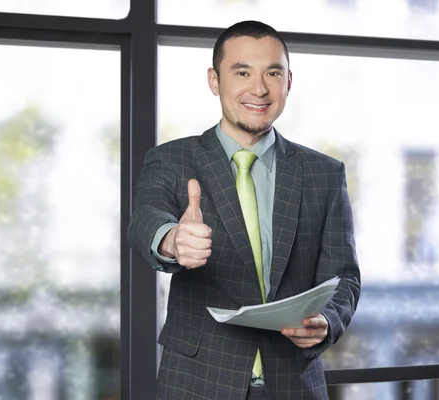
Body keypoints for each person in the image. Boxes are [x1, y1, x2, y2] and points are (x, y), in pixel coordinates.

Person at [127, 20, 361, 400]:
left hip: (294, 385)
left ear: (288, 81)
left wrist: (327, 320)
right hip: (197, 383)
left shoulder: (325, 173)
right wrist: (171, 240)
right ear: (214, 80)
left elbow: (345, 277)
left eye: (273, 72)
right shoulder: (171, 159)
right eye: (242, 72)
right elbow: (144, 223)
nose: (259, 88)